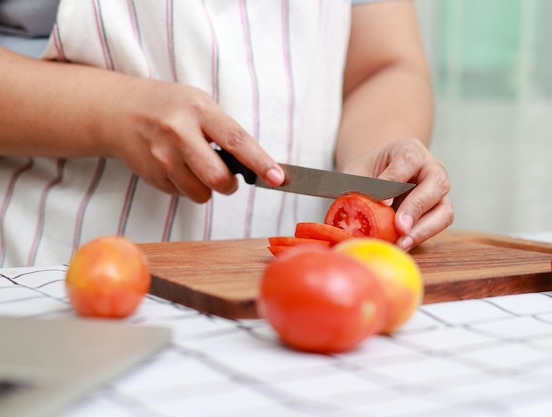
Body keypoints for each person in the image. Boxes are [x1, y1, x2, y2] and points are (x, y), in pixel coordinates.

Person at [0, 0, 453, 268]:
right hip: (62, 272)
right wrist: (112, 111)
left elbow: (383, 66)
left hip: (284, 295)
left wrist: (379, 153)